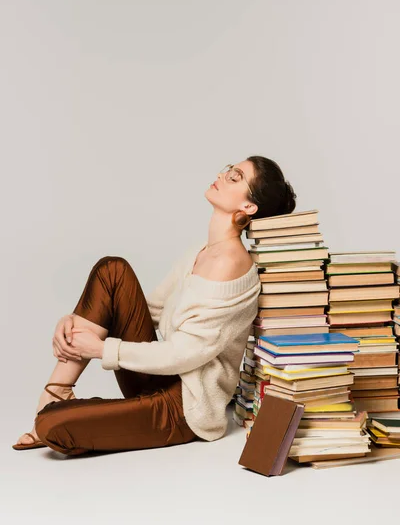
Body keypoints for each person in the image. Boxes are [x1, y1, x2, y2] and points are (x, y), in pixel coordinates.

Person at [12, 155, 296, 455]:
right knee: (112, 270)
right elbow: (151, 310)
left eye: (235, 177)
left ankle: (63, 414)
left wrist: (100, 348)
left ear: (248, 207)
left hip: (185, 407)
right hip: (160, 378)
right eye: (228, 170)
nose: (222, 175)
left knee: (51, 427)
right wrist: (74, 320)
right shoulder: (203, 251)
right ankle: (56, 393)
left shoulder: (231, 263)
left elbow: (185, 354)